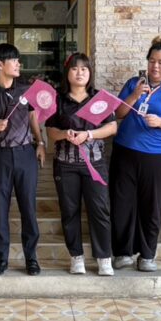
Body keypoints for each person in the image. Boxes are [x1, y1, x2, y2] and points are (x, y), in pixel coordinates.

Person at [110, 37, 161, 272]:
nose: (155, 66)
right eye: (152, 61)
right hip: (125, 151)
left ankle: (147, 255)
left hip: (159, 157)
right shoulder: (134, 83)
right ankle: (122, 252)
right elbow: (118, 113)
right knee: (122, 203)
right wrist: (134, 95)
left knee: (151, 206)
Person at [0, 43, 46, 276]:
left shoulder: (26, 89)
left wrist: (40, 143)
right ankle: (2, 258)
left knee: (28, 208)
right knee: (0, 209)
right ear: (0, 64)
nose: (18, 64)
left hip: (25, 154)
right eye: (14, 60)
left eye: (17, 60)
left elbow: (33, 117)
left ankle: (31, 258)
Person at [45, 53, 117, 276]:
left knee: (100, 210)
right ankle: (76, 257)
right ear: (67, 73)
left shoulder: (99, 98)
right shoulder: (57, 100)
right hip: (65, 165)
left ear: (90, 73)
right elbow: (51, 131)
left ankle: (104, 258)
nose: (79, 73)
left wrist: (89, 134)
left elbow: (112, 127)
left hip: (95, 164)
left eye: (84, 69)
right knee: (70, 211)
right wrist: (64, 134)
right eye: (75, 69)